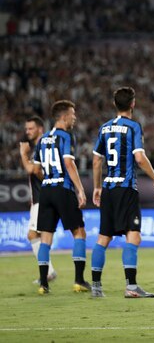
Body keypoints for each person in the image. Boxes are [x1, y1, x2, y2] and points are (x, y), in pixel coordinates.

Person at [91, 87, 154, 298]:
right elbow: (139, 158)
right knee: (133, 235)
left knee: (103, 238)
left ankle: (96, 287)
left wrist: (97, 187)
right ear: (133, 104)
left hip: (109, 188)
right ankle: (131, 287)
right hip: (126, 188)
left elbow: (96, 160)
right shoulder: (133, 127)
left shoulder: (104, 128)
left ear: (115, 104)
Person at [32, 100, 89, 295]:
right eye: (72, 114)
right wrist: (80, 189)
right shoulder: (66, 136)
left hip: (46, 191)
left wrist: (49, 179)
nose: (74, 117)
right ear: (63, 116)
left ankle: (43, 284)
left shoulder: (42, 139)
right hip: (62, 189)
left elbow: (36, 168)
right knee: (79, 233)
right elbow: (69, 163)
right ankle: (79, 281)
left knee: (46, 237)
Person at [20, 116, 57, 284]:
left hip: (42, 198)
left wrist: (23, 154)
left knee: (33, 234)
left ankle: (48, 273)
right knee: (39, 234)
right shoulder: (43, 145)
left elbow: (34, 170)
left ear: (40, 129)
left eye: (31, 129)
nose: (28, 132)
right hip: (39, 198)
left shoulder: (40, 146)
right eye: (26, 129)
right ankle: (48, 271)